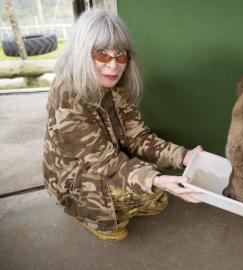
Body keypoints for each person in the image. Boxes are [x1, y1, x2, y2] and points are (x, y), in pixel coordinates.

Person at [43, 8, 203, 241]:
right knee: (153, 192)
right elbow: (102, 161)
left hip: (106, 160)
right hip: (74, 178)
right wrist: (156, 179)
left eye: (121, 55)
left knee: (155, 196)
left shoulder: (115, 84)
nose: (114, 65)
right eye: (101, 54)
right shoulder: (66, 94)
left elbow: (138, 137)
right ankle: (85, 213)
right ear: (81, 53)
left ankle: (112, 204)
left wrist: (184, 156)